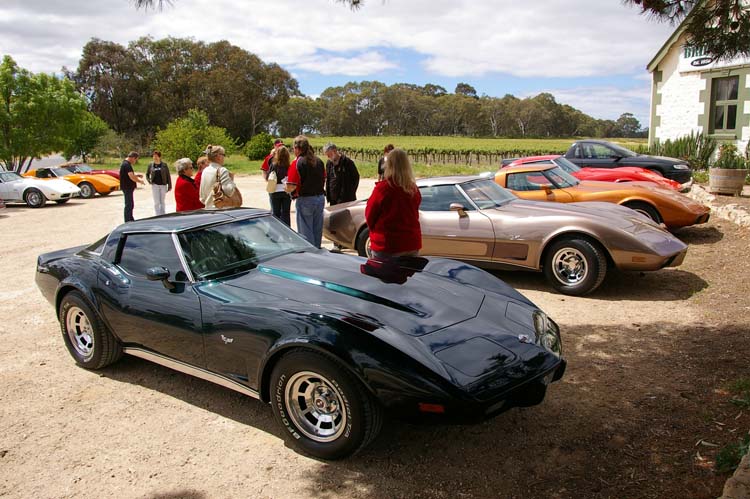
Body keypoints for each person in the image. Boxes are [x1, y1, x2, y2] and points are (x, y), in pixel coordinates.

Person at [365, 148, 422, 259]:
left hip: (387, 245)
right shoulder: (413, 189)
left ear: (388, 165)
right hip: (411, 244)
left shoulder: (382, 189)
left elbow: (370, 216)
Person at [285, 135, 326, 247]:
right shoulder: (319, 161)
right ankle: (317, 251)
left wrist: (287, 189)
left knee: (306, 233)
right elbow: (324, 178)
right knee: (317, 230)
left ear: (297, 148)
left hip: (305, 199)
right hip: (320, 198)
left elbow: (291, 185)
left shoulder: (298, 162)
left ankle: (310, 254)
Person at [264, 145, 292, 226]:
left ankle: (276, 230)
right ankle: (287, 230)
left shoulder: (274, 165)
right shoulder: (289, 166)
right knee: (286, 213)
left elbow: (267, 177)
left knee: (276, 213)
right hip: (286, 191)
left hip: (275, 191)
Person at [119, 151, 145, 223]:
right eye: (135, 159)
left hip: (127, 187)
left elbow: (128, 175)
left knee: (130, 203)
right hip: (127, 187)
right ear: (133, 158)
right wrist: (139, 181)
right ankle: (128, 220)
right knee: (129, 204)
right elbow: (131, 176)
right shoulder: (127, 165)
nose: (135, 161)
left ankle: (130, 218)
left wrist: (137, 175)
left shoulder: (125, 164)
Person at [146, 150, 172, 216]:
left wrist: (170, 185)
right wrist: (149, 181)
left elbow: (168, 175)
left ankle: (163, 214)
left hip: (163, 185)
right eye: (154, 156)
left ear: (160, 157)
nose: (155, 157)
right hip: (155, 185)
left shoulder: (164, 165)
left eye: (156, 156)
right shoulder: (151, 165)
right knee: (156, 202)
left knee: (162, 201)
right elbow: (147, 174)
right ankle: (157, 215)